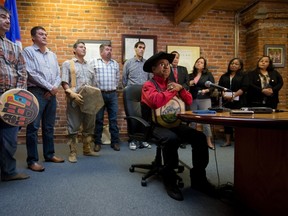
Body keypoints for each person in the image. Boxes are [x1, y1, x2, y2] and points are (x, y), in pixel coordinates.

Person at [142, 51, 215, 201]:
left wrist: (180, 89)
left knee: (199, 137)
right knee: (171, 139)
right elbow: (156, 101)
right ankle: (169, 180)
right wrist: (172, 91)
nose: (166, 67)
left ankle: (198, 179)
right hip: (155, 125)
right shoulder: (148, 85)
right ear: (153, 69)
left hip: (174, 123)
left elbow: (188, 101)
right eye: (161, 65)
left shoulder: (173, 84)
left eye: (167, 65)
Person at [23, 26, 64, 172]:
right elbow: (30, 73)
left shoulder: (52, 54)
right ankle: (32, 160)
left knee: (48, 127)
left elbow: (58, 74)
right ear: (33, 37)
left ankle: (49, 154)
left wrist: (53, 89)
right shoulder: (28, 51)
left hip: (51, 94)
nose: (45, 36)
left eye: (46, 34)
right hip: (36, 92)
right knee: (33, 128)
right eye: (41, 34)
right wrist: (49, 87)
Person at [0, 6, 30, 181]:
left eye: (9, 18)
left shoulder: (14, 47)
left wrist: (18, 95)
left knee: (9, 140)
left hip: (10, 100)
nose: (7, 21)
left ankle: (8, 172)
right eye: (3, 17)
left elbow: (22, 72)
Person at [61, 41, 99, 163]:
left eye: (85, 47)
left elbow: (94, 83)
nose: (84, 49)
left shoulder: (90, 65)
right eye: (81, 47)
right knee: (74, 126)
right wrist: (71, 93)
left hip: (89, 100)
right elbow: (64, 82)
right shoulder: (68, 64)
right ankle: (72, 152)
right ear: (74, 50)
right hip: (75, 99)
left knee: (89, 125)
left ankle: (87, 149)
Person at [89, 43, 121, 152]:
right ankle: (97, 142)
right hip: (99, 94)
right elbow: (90, 78)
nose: (109, 51)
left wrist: (113, 88)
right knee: (98, 119)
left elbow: (117, 79)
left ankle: (115, 142)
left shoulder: (115, 64)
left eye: (111, 49)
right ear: (101, 51)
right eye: (107, 49)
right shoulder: (94, 62)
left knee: (113, 119)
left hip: (112, 94)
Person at [122, 41, 152, 150]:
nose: (142, 49)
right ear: (135, 49)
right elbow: (124, 80)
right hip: (132, 95)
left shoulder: (147, 64)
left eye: (143, 48)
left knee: (145, 117)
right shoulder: (128, 63)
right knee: (133, 118)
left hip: (144, 94)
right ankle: (132, 140)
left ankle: (143, 140)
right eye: (140, 47)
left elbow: (150, 79)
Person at [218, 58, 247, 147]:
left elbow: (244, 87)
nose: (233, 65)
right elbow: (220, 87)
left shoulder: (244, 75)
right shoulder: (224, 76)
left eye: (236, 64)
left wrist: (233, 96)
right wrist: (223, 95)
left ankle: (240, 141)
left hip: (239, 101)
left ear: (240, 66)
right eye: (232, 63)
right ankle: (228, 141)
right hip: (227, 102)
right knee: (227, 122)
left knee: (239, 122)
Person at [189, 57, 215, 150]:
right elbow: (188, 85)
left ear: (204, 65)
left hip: (205, 99)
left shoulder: (208, 74)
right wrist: (191, 81)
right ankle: (192, 140)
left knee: (206, 121)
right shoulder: (190, 75)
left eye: (201, 62)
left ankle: (208, 141)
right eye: (198, 62)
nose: (199, 63)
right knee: (192, 121)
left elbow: (212, 87)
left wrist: (206, 90)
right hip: (193, 99)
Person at [169, 50, 190, 149]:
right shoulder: (166, 69)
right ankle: (174, 139)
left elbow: (187, 83)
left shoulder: (183, 69)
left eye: (177, 57)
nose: (175, 59)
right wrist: (174, 91)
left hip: (182, 96)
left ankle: (183, 140)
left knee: (183, 119)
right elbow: (166, 83)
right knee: (173, 119)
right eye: (173, 57)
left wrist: (179, 88)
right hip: (171, 99)